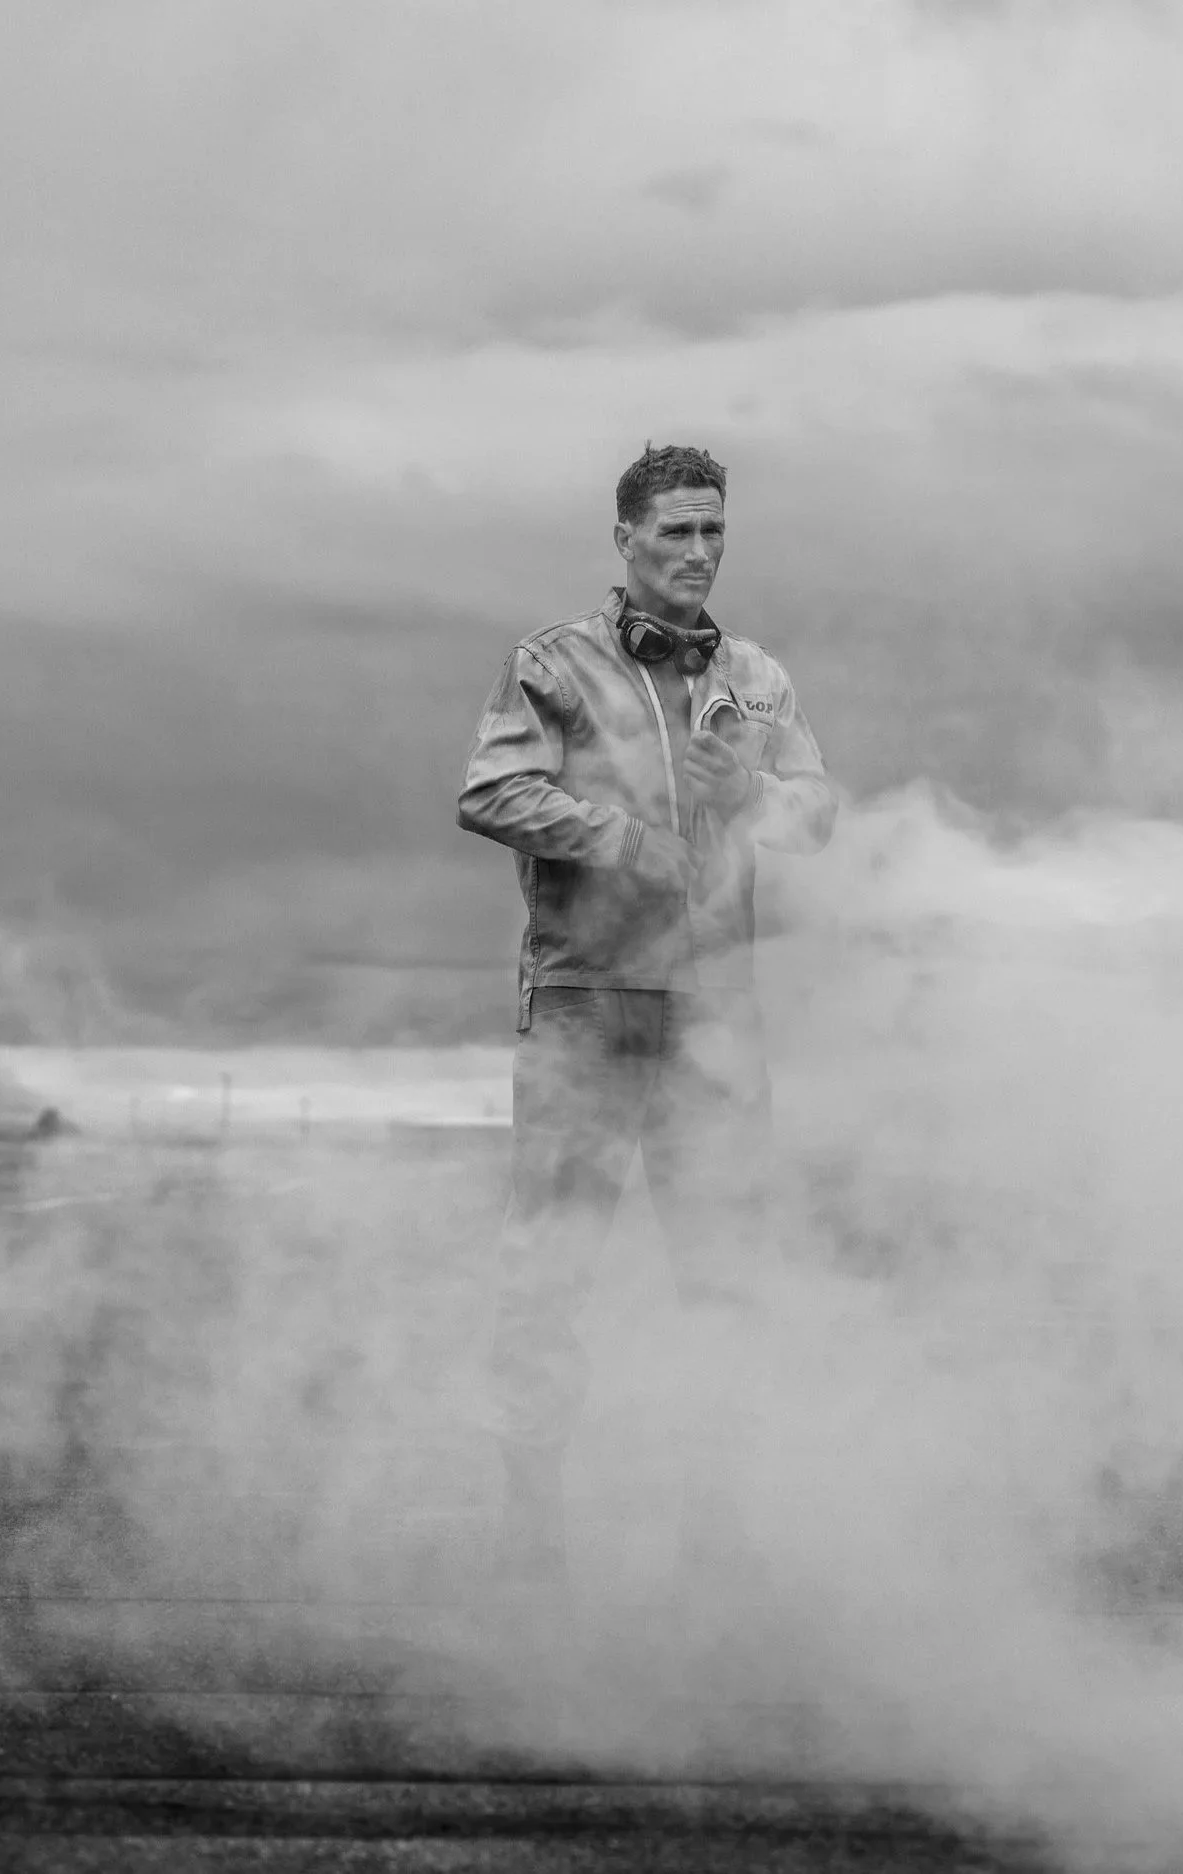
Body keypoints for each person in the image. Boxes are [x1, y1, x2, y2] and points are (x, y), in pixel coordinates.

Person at [456, 443, 836, 1586]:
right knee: (550, 1271)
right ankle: (528, 1526)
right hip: (586, 999)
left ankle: (715, 1533)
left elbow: (816, 815)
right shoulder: (553, 662)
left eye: (713, 530)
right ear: (625, 539)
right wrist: (624, 840)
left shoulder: (757, 677)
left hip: (715, 1011)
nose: (697, 550)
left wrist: (751, 792)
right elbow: (491, 790)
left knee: (726, 1274)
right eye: (675, 530)